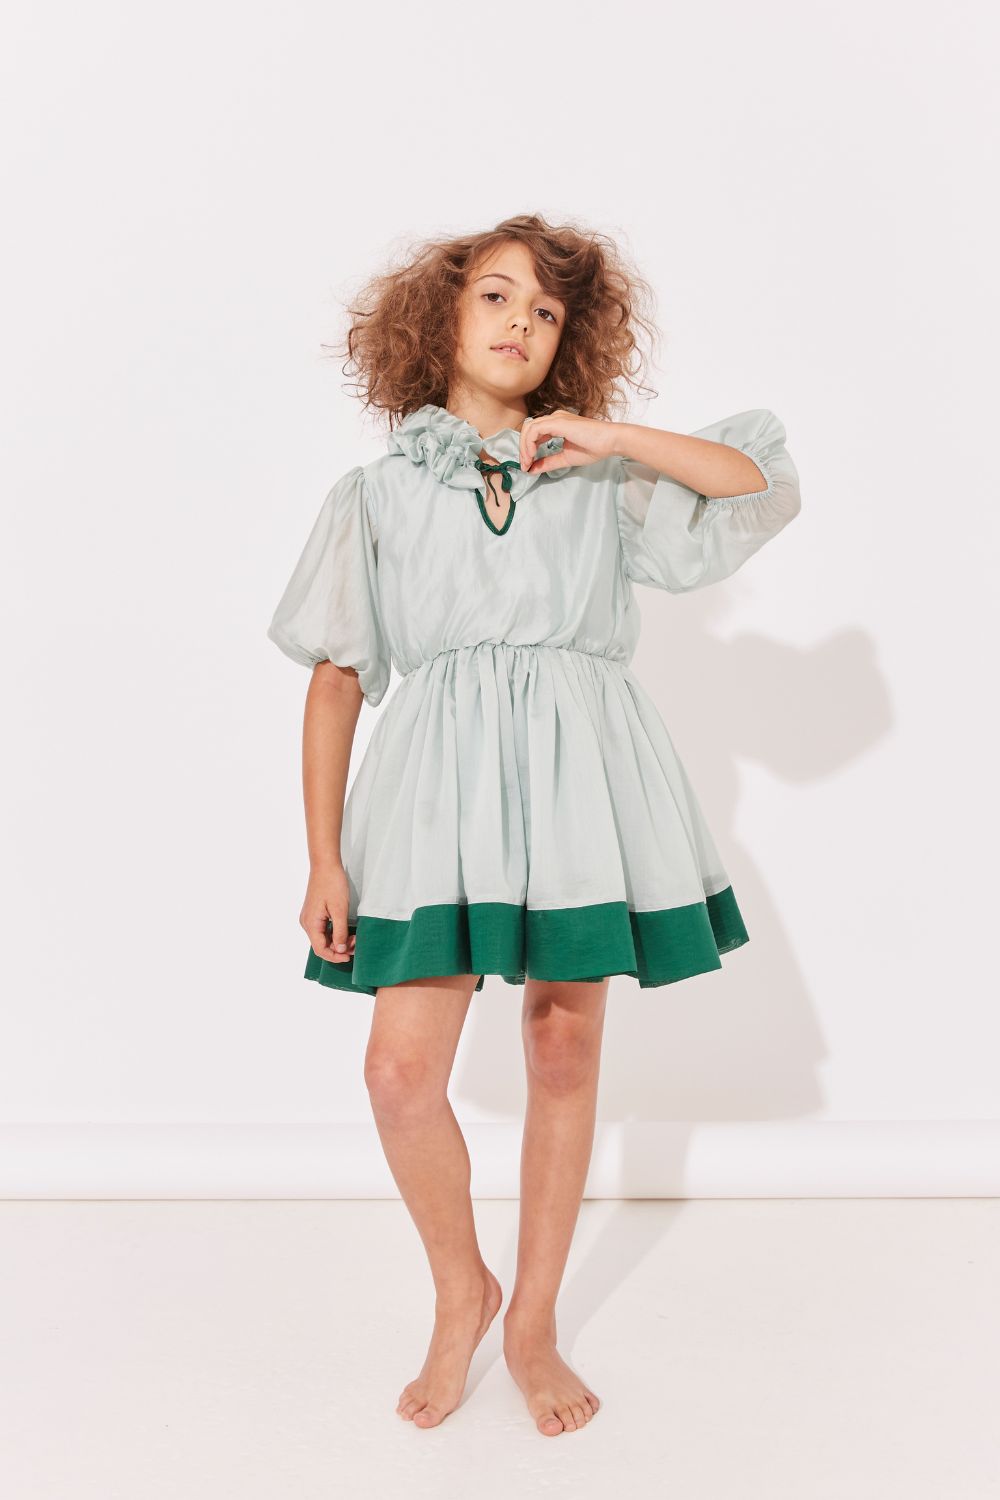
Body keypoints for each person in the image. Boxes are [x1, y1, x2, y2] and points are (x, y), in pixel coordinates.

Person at [266, 213, 802, 1438]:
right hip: (436, 791)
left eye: (547, 311)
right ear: (440, 318)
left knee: (561, 1049)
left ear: (570, 340)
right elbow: (338, 679)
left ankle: (535, 1323)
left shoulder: (597, 478)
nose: (520, 322)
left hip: (578, 779)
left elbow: (754, 482)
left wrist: (605, 435)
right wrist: (323, 856)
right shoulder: (377, 495)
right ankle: (465, 1290)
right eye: (496, 296)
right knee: (400, 1074)